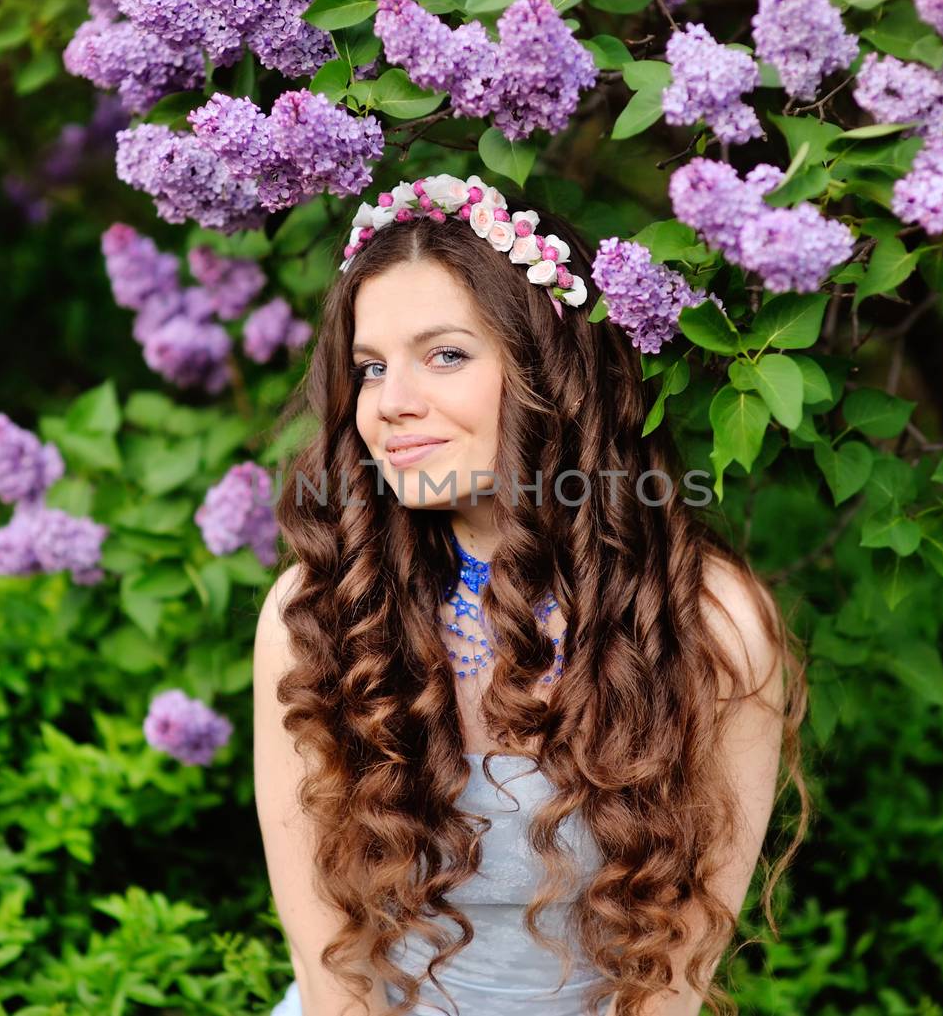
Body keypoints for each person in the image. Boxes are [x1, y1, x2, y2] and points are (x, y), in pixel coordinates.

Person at [253, 172, 809, 1016]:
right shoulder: (322, 611)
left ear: (550, 368)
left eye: (445, 354)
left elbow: (674, 980)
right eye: (369, 367)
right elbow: (325, 961)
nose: (391, 404)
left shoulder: (710, 626)